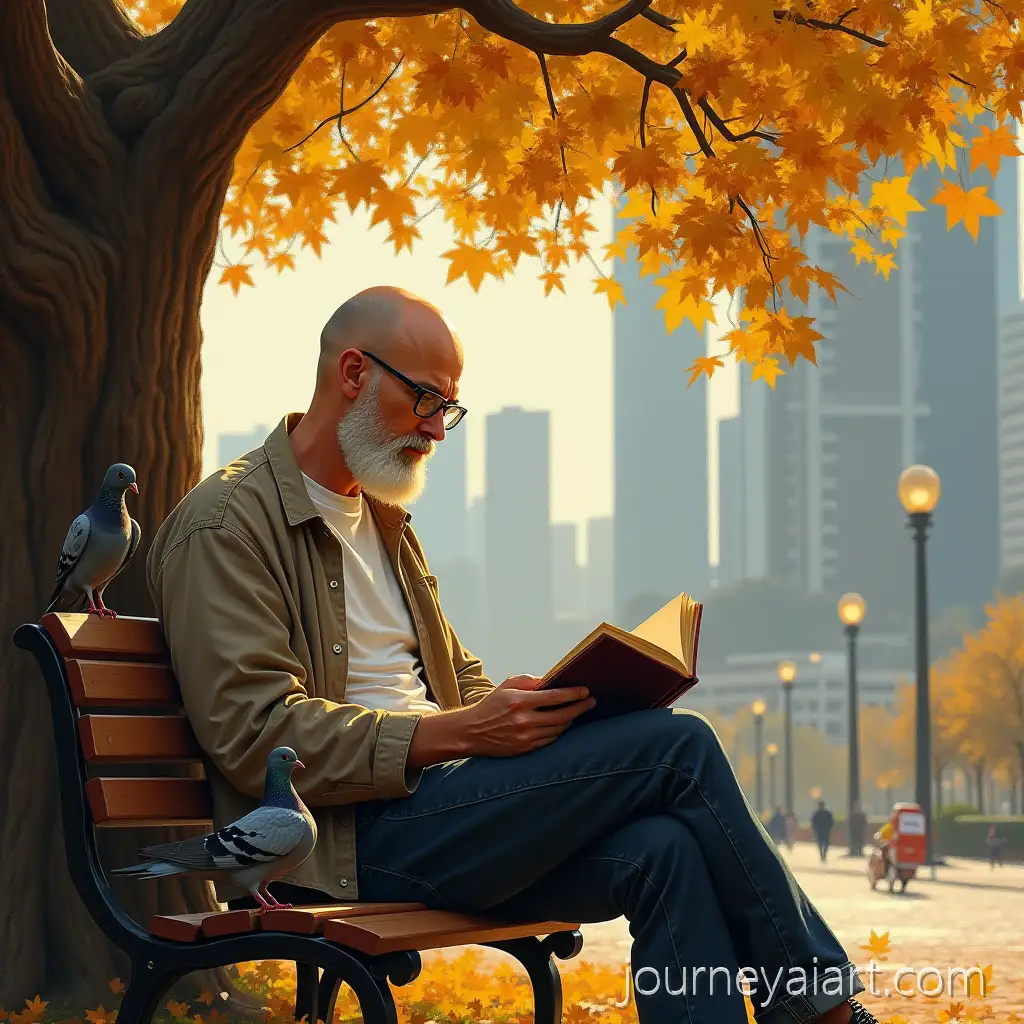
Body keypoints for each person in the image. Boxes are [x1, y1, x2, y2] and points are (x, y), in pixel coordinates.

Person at [147, 286, 878, 1024]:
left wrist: (537, 710)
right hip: (345, 843)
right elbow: (257, 736)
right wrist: (465, 733)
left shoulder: (384, 523)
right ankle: (823, 1009)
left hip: (442, 811)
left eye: (447, 410)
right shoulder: (227, 524)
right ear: (353, 373)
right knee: (677, 750)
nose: (436, 431)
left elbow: (455, 681)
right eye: (427, 401)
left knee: (665, 850)